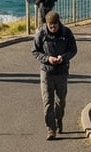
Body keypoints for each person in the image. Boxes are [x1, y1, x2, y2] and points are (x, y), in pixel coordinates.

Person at [31, 10, 77, 140]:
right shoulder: (41, 33)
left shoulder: (66, 33)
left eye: (54, 25)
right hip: (46, 72)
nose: (52, 28)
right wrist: (47, 59)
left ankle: (58, 119)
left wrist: (63, 57)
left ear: (58, 23)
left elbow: (73, 49)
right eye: (50, 25)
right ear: (47, 24)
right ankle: (50, 129)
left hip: (62, 72)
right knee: (47, 102)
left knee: (61, 100)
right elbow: (35, 51)